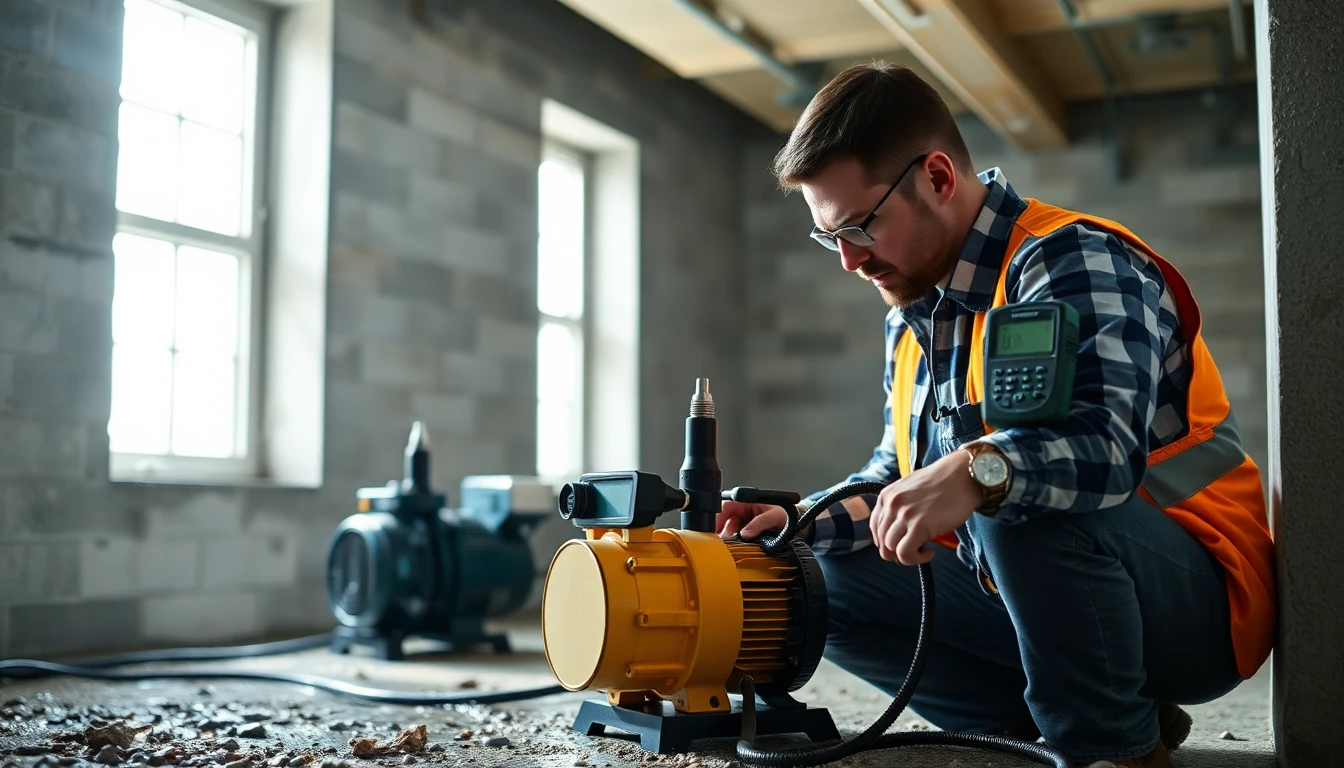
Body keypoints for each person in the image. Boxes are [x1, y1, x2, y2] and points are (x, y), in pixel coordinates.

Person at [716, 62, 1276, 768]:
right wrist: (801, 523)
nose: (850, 262)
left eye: (861, 226)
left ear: (939, 179)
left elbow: (1100, 449)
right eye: (831, 237)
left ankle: (1112, 749)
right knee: (817, 582)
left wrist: (979, 471)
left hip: (1196, 605)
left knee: (1009, 491)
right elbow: (896, 474)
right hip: (1030, 593)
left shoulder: (1069, 258)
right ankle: (1090, 714)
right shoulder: (912, 312)